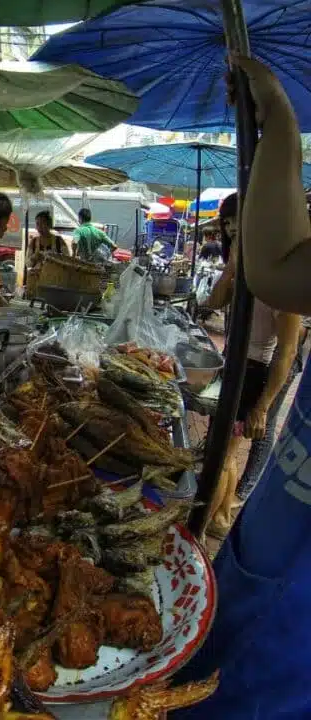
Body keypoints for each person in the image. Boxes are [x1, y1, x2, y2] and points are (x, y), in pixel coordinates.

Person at [173, 55, 311, 719]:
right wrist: (277, 123)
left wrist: (260, 404)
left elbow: (284, 321)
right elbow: (276, 268)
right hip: (277, 534)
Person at [197, 192, 301, 536]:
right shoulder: (241, 274)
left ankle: (200, 527)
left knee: (222, 455)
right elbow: (212, 302)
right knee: (220, 450)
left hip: (255, 373)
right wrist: (232, 267)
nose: (230, 229)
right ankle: (221, 519)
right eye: (227, 223)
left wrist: (263, 407)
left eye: (237, 221)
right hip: (233, 366)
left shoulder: (278, 281)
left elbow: (286, 351)